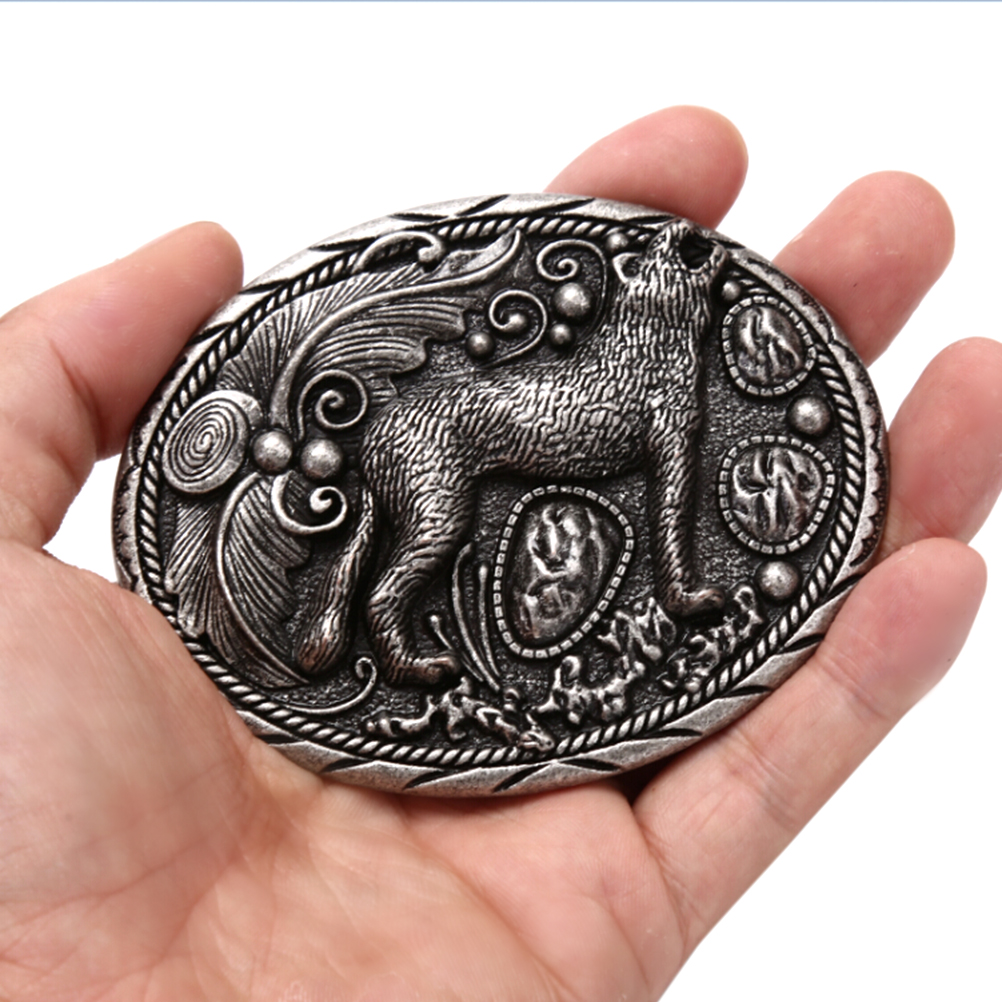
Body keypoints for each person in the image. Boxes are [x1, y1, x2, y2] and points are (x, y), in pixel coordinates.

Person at [0, 106, 998, 1001]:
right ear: (678, 298)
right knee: (429, 534)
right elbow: (675, 492)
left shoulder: (653, 369)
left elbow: (674, 494)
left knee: (422, 532)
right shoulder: (661, 381)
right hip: (458, 429)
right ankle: (384, 626)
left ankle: (379, 618)